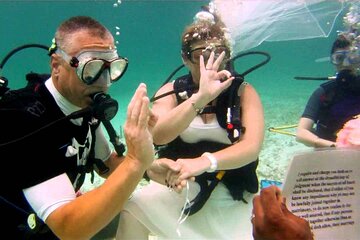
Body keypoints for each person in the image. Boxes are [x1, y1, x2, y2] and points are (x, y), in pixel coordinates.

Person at [0, 16, 156, 239]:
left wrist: (150, 167)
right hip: (20, 229)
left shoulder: (82, 104)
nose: (104, 82)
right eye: (90, 69)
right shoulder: (21, 119)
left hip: (44, 224)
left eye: (112, 68)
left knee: (131, 214)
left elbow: (107, 163)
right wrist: (135, 162)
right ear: (56, 65)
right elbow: (70, 230)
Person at [116, 7, 264, 240]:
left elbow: (251, 147)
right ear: (185, 58)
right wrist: (200, 98)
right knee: (133, 208)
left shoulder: (244, 93)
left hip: (233, 193)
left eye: (219, 54)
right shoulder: (172, 92)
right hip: (181, 189)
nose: (211, 63)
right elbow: (159, 136)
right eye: (200, 56)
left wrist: (204, 162)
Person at [296, 33, 360, 148]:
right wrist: (336, 147)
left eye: (353, 59)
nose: (345, 64)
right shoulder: (324, 92)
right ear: (332, 60)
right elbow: (301, 133)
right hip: (330, 153)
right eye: (339, 58)